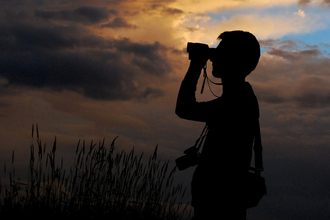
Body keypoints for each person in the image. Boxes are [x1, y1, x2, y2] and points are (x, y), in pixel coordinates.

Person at [175, 30, 261, 219]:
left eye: (219, 53)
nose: (213, 58)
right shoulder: (240, 98)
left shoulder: (237, 103)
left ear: (233, 60)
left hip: (218, 207)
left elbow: (184, 108)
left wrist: (196, 65)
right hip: (222, 204)